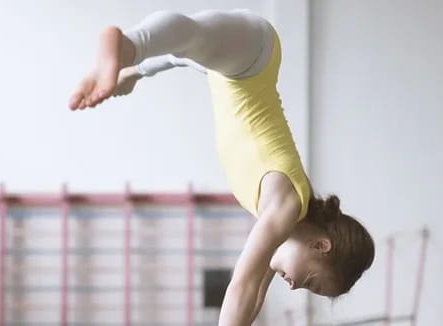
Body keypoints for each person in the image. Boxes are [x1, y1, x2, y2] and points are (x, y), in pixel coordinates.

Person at [68, 9, 374, 326]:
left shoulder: (286, 219)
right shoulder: (288, 205)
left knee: (187, 51)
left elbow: (255, 296)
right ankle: (126, 45)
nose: (296, 287)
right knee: (192, 37)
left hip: (230, 71)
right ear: (321, 245)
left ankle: (129, 65)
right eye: (311, 281)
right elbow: (245, 285)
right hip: (254, 58)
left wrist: (135, 74)